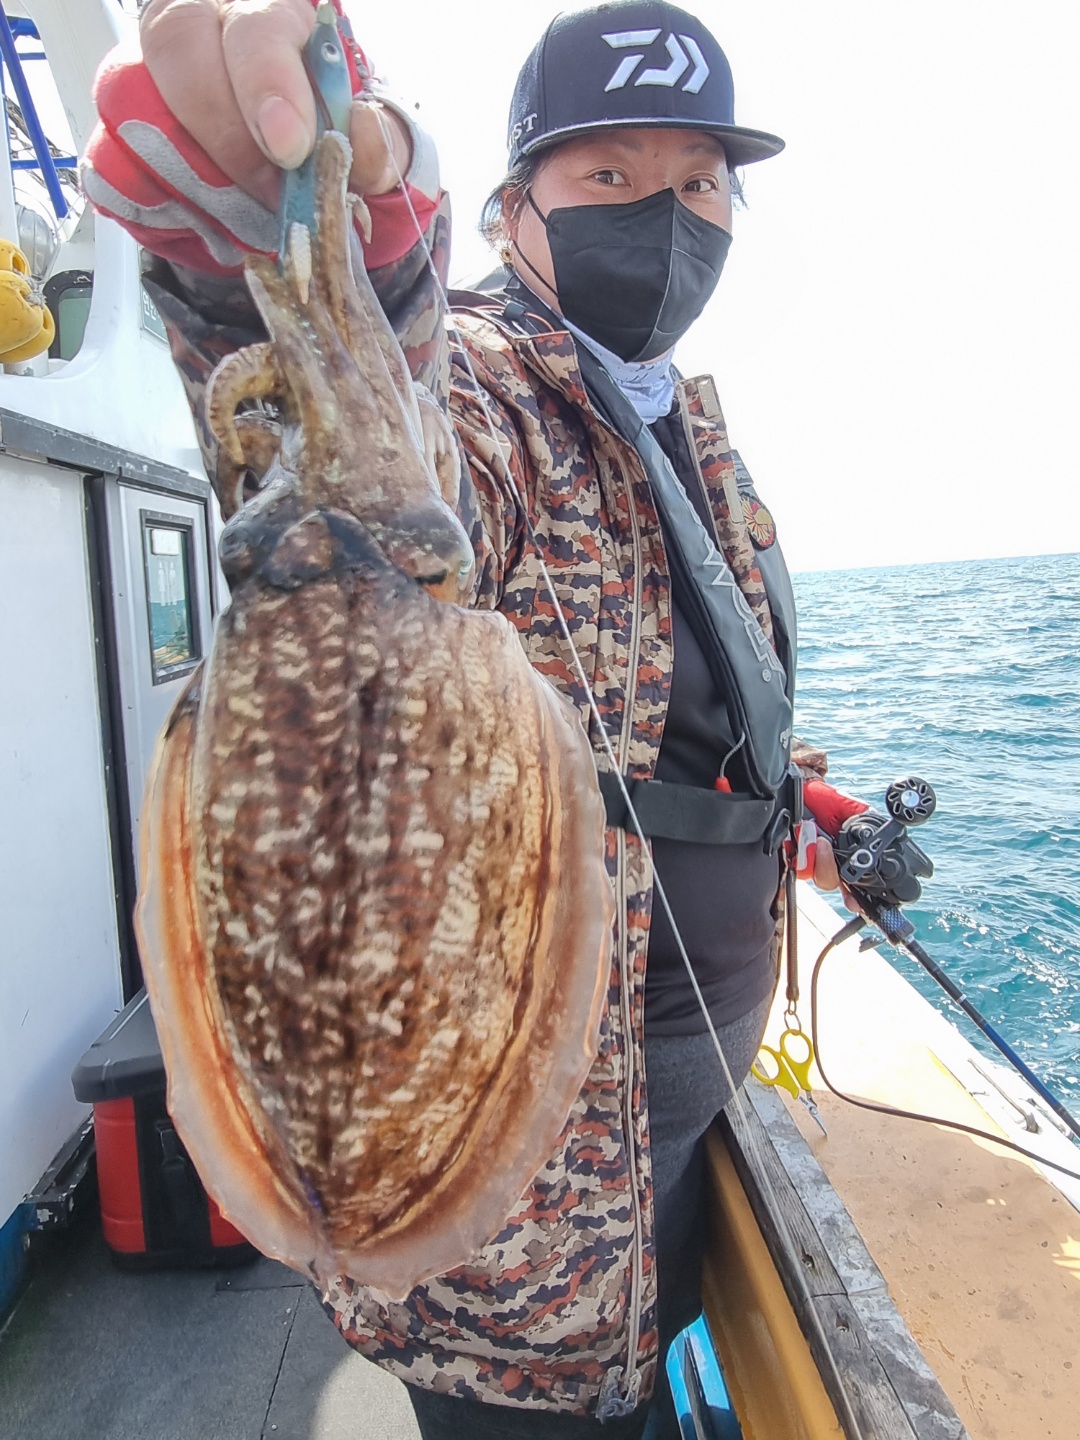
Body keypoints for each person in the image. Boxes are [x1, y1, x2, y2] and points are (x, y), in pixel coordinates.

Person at [83, 2, 854, 1434]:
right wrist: (331, 259)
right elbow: (407, 451)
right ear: (512, 209)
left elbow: (682, 701)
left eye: (698, 183)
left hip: (669, 1150)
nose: (665, 215)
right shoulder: (494, 382)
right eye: (609, 175)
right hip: (532, 1252)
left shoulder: (683, 425)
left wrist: (791, 802)